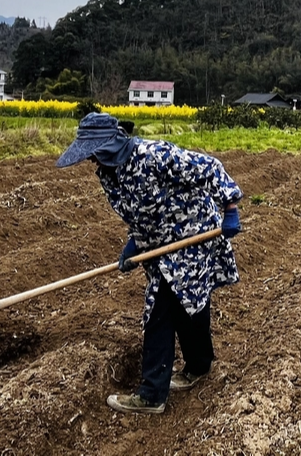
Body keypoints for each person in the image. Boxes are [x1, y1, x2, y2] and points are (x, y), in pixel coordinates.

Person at [56, 112, 242, 415]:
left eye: (93, 153)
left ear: (110, 144)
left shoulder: (154, 155)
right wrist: (134, 243)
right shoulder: (109, 174)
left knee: (160, 310)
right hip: (159, 244)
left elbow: (211, 167)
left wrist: (230, 207)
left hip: (192, 235)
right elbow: (139, 213)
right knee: (188, 303)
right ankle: (199, 366)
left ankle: (152, 394)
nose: (90, 160)